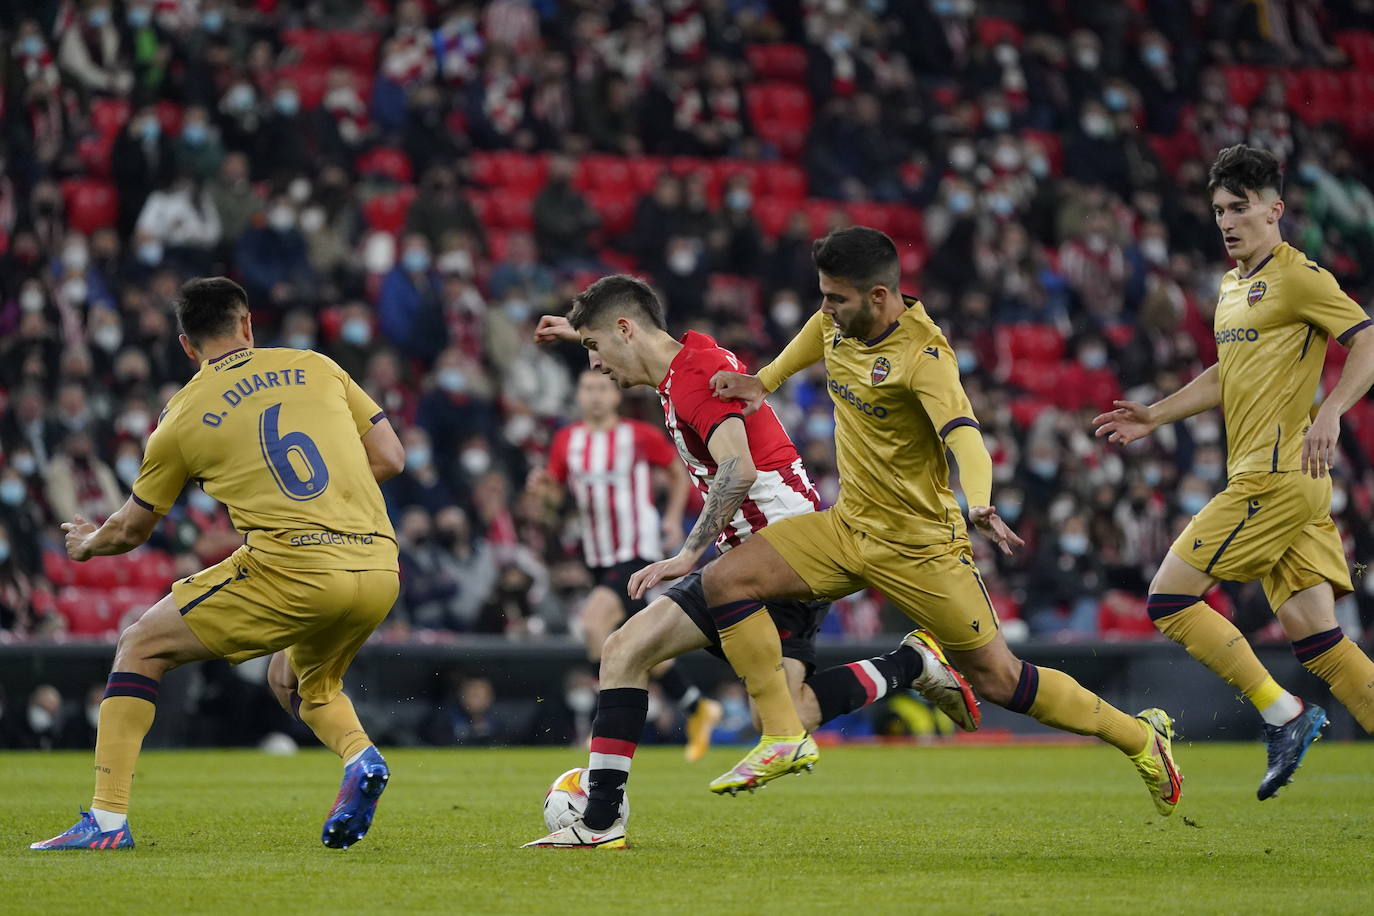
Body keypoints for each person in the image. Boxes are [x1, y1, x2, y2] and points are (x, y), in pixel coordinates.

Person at [699, 227, 1182, 815]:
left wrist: (979, 500)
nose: (826, 309)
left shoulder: (925, 356)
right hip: (847, 529)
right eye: (823, 296)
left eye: (836, 298)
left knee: (1000, 680)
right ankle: (782, 735)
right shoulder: (838, 321)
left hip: (920, 547)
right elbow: (816, 335)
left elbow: (966, 439)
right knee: (725, 580)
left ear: (880, 297)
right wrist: (765, 381)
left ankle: (1140, 738)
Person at [523, 275, 978, 849]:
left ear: (624, 329)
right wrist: (580, 334)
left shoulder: (691, 377)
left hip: (780, 555)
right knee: (788, 712)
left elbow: (737, 469)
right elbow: (636, 347)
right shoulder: (688, 359)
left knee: (623, 651)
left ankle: (599, 821)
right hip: (774, 550)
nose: (593, 367)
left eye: (595, 349)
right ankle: (909, 665)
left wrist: (686, 554)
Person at [30, 277, 406, 852]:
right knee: (297, 678)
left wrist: (87, 544)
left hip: (295, 568)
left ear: (186, 345)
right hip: (378, 567)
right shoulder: (317, 365)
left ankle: (106, 822)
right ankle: (361, 756)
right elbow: (391, 456)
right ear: (248, 324)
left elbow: (132, 529)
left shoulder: (179, 416)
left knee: (140, 646)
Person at [1093, 145, 1374, 799]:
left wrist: (1332, 411)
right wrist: (1156, 415)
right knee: (1321, 642)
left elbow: (1366, 340)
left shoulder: (1300, 278)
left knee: (1168, 600)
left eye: (1240, 208)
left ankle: (1284, 715)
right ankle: (1294, 710)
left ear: (1274, 210)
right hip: (1281, 482)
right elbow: (1229, 372)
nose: (1226, 221)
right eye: (1219, 208)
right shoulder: (1231, 286)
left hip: (1274, 477)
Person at [531, 368, 723, 760]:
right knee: (636, 643)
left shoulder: (637, 435)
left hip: (636, 547)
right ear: (579, 395)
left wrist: (671, 518)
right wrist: (543, 495)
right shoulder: (567, 441)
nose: (596, 395)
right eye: (588, 388)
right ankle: (697, 707)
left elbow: (675, 471)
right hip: (598, 555)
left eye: (603, 387)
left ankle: (604, 726)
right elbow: (551, 505)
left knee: (593, 623)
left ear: (616, 396)